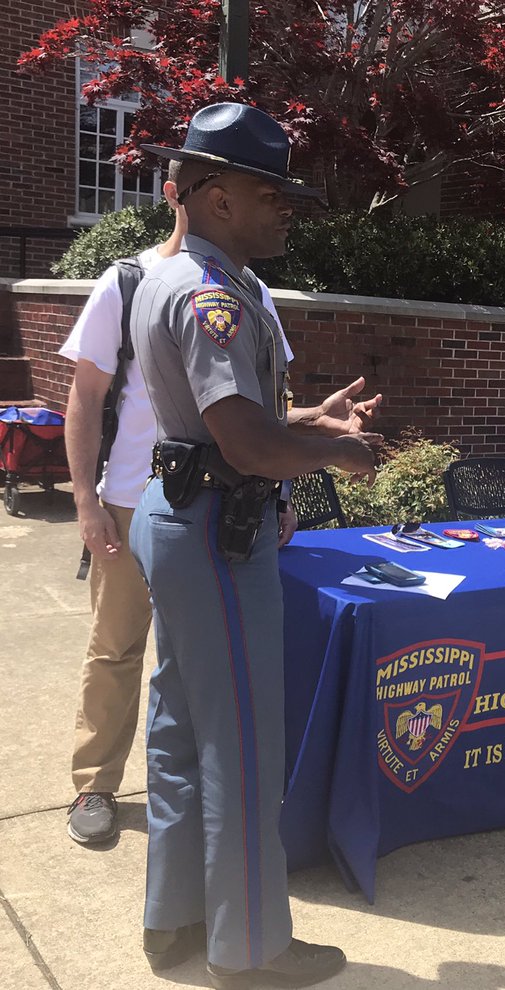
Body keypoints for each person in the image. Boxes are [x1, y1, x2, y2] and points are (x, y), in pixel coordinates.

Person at [127, 102, 380, 988]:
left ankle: (178, 921)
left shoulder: (188, 279)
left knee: (181, 729)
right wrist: (336, 452)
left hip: (182, 513)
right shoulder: (211, 297)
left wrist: (310, 417)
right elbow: (246, 446)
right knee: (240, 745)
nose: (286, 208)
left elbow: (223, 422)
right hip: (216, 531)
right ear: (215, 193)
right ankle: (250, 952)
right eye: (271, 191)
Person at [61, 162, 381, 847]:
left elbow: (260, 409)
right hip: (130, 498)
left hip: (219, 510)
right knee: (117, 650)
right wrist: (84, 501)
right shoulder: (131, 281)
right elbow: (85, 398)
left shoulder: (248, 289)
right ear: (198, 197)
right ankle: (95, 784)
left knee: (187, 676)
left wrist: (309, 438)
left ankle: (190, 813)